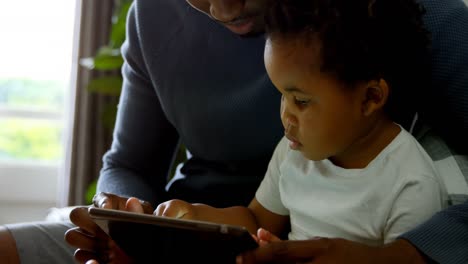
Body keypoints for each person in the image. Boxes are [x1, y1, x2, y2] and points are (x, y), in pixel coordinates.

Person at [0, 0, 466, 263]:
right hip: (192, 239)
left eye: (300, 100)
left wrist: (393, 258)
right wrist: (130, 219)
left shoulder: (386, 17)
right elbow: (128, 165)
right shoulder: (152, 19)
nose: (222, 7)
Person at [151, 0, 446, 260]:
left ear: (370, 98)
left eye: (301, 101)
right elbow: (255, 219)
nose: (286, 115)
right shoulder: (294, 152)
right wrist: (195, 215)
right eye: (282, 95)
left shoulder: (411, 185)